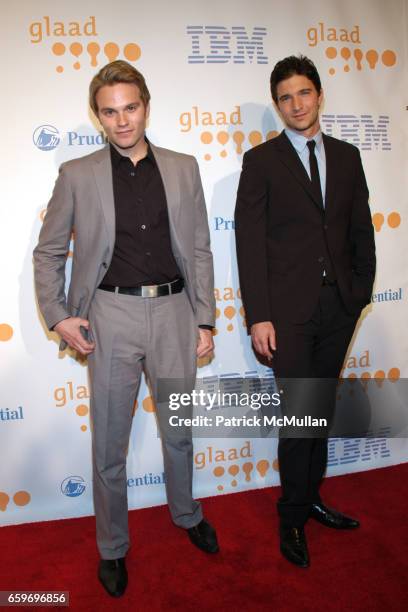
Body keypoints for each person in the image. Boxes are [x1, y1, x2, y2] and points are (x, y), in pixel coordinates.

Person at [33, 60, 218, 597]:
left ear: (146, 106)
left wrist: (204, 317)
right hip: (109, 317)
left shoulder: (184, 168)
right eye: (110, 112)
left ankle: (186, 514)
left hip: (175, 311)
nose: (122, 121)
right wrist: (59, 314)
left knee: (179, 431)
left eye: (130, 108)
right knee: (110, 445)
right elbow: (48, 254)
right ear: (97, 115)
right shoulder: (76, 174)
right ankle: (113, 547)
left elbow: (201, 249)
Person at [234, 55, 376, 568]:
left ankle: (312, 496)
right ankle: (291, 515)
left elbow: (361, 230)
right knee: (299, 417)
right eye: (285, 98)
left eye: (304, 93)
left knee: (320, 412)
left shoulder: (347, 155)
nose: (296, 104)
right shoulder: (262, 161)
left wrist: (357, 293)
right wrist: (259, 316)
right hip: (287, 315)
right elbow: (249, 246)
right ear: (278, 106)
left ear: (319, 95)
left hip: (338, 307)